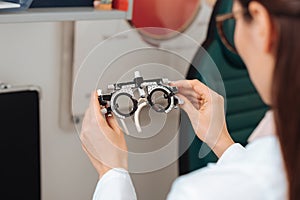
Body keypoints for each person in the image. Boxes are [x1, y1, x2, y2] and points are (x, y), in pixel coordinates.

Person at [79, 0, 300, 199]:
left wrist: (112, 175)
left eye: (233, 20)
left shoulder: (198, 193)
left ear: (261, 24)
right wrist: (222, 142)